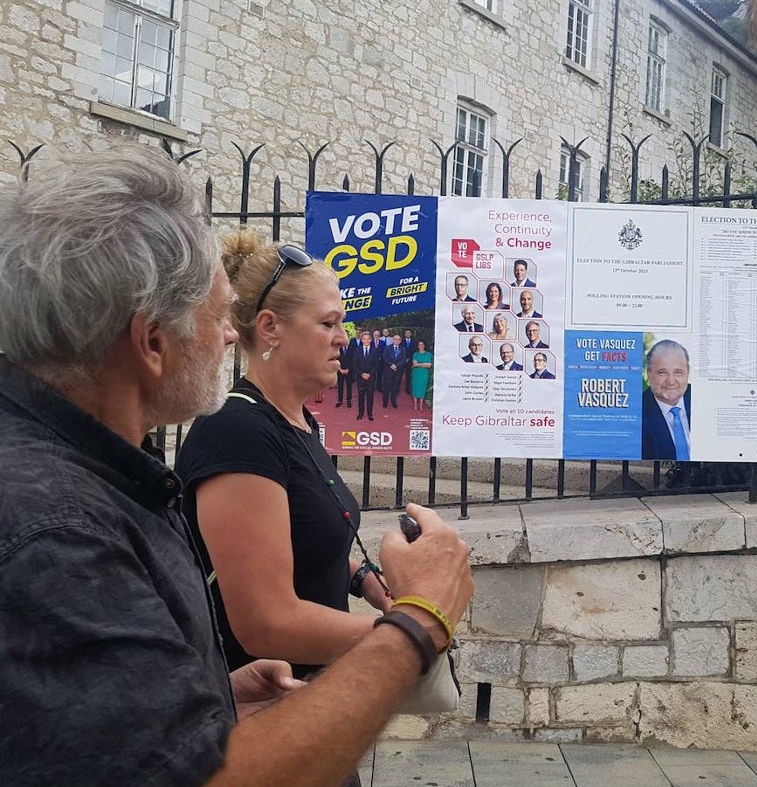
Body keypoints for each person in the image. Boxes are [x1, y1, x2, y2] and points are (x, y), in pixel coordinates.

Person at [0, 146, 473, 787]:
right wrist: (420, 621)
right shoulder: (57, 530)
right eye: (219, 315)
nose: (229, 334)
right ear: (152, 341)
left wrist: (217, 699)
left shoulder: (91, 478)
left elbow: (110, 738)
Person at [176, 232, 399, 693]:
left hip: (310, 700)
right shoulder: (237, 432)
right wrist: (412, 636)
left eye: (343, 323)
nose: (343, 339)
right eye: (328, 323)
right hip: (258, 711)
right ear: (271, 327)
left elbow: (304, 537)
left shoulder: (299, 422)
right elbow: (266, 624)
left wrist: (365, 579)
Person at [641, 339, 692, 461]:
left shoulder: (703, 399)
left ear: (688, 373)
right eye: (662, 372)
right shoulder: (638, 411)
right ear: (649, 374)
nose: (671, 381)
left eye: (678, 372)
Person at [351, 328, 381, 420]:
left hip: (371, 378)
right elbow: (354, 364)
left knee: (370, 397)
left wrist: (369, 374)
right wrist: (361, 374)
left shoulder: (375, 350)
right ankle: (360, 413)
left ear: (371, 340)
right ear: (361, 340)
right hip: (360, 378)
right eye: (364, 339)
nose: (366, 340)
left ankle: (370, 413)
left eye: (368, 338)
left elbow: (376, 365)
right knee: (361, 397)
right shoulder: (357, 350)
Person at [382, 333, 408, 408]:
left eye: (398, 339)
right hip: (388, 370)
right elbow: (384, 357)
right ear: (393, 340)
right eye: (395, 339)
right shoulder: (387, 348)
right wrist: (391, 365)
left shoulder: (403, 349)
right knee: (386, 387)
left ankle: (393, 401)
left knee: (395, 388)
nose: (396, 341)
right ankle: (385, 402)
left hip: (398, 371)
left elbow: (404, 359)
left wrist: (396, 366)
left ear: (400, 341)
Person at [410, 340, 432, 411]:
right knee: (415, 388)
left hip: (424, 374)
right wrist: (423, 364)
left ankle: (421, 406)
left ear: (424, 345)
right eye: (419, 345)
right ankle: (415, 405)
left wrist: (418, 364)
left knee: (422, 388)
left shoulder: (428, 354)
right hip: (416, 373)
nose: (420, 346)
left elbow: (429, 365)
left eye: (422, 344)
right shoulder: (415, 354)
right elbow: (414, 363)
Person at [336, 338, 354, 407]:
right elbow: (336, 359)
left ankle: (348, 400)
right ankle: (340, 400)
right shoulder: (338, 348)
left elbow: (353, 359)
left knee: (349, 386)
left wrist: (348, 369)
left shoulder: (352, 348)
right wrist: (340, 369)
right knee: (340, 386)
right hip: (340, 370)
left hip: (349, 370)